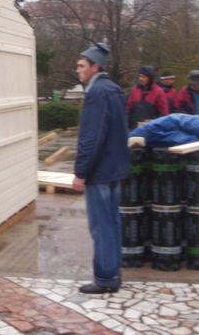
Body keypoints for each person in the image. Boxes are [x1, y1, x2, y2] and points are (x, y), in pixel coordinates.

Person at [72, 42, 130, 294]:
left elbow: (92, 138)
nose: (77, 70)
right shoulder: (115, 90)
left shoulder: (97, 93)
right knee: (113, 222)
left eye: (82, 66)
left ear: (95, 68)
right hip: (115, 170)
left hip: (100, 173)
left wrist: (81, 172)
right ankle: (113, 273)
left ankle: (105, 279)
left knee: (101, 226)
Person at [125, 65, 169, 130]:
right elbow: (128, 110)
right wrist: (127, 126)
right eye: (140, 76)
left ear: (150, 78)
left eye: (144, 77)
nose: (141, 79)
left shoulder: (158, 92)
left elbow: (163, 114)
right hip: (134, 130)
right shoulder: (134, 90)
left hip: (151, 131)